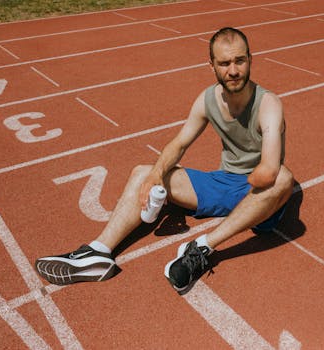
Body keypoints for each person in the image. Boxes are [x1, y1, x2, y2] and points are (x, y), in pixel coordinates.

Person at [35, 27, 294, 292]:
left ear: (251, 59)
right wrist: (155, 176)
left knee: (283, 179)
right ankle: (98, 253)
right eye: (224, 63)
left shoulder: (268, 104)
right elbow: (179, 143)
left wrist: (246, 191)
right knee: (142, 172)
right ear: (212, 66)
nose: (233, 70)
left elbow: (268, 171)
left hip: (259, 192)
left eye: (239, 60)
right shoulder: (207, 100)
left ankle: (202, 247)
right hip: (223, 183)